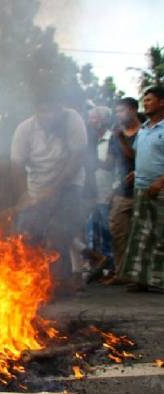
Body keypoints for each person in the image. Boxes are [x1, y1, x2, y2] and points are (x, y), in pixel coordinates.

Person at [10, 94, 88, 294]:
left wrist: (55, 188)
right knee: (27, 233)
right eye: (43, 110)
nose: (49, 116)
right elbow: (17, 165)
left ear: (60, 108)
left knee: (58, 233)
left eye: (53, 110)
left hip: (69, 184)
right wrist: (24, 195)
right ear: (36, 110)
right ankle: (30, 284)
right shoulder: (25, 129)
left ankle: (58, 284)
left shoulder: (72, 120)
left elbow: (77, 157)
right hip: (36, 187)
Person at [117, 86, 164, 292]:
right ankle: (141, 280)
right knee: (141, 235)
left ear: (162, 102)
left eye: (150, 99)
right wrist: (121, 140)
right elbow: (136, 156)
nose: (145, 103)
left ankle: (160, 280)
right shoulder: (144, 129)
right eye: (144, 99)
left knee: (160, 234)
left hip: (159, 188)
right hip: (141, 187)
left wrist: (160, 182)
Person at [105, 98, 141, 284]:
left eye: (123, 110)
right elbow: (110, 164)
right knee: (117, 230)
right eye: (117, 111)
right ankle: (122, 272)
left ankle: (142, 276)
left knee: (144, 234)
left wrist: (121, 139)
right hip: (122, 190)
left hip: (145, 189)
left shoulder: (147, 131)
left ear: (134, 109)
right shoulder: (115, 135)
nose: (119, 115)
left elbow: (136, 158)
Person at [83, 106, 114, 275]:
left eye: (94, 118)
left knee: (107, 231)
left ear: (104, 119)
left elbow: (112, 165)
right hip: (90, 193)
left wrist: (95, 162)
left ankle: (110, 267)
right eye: (90, 118)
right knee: (90, 231)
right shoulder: (89, 139)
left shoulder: (112, 138)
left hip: (106, 191)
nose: (91, 121)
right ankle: (95, 267)